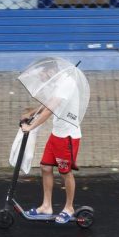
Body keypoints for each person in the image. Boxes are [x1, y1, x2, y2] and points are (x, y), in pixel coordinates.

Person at [20, 67, 82, 224]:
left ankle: (69, 208)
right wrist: (32, 113)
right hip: (56, 134)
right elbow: (48, 103)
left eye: (43, 74)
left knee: (65, 173)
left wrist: (30, 127)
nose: (42, 78)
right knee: (45, 167)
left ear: (52, 70)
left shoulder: (67, 83)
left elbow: (49, 109)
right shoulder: (58, 83)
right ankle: (46, 206)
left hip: (67, 137)